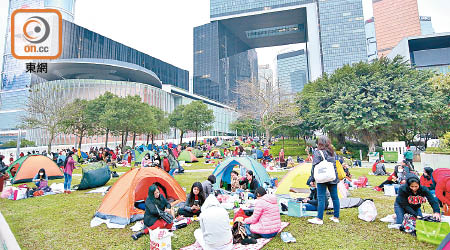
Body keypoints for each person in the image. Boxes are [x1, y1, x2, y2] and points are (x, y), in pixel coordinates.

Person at [308, 135, 340, 225]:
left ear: (319, 143)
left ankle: (319, 219)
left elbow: (314, 167)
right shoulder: (332, 152)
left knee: (321, 198)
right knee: (335, 197)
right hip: (332, 177)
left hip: (322, 177)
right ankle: (336, 217)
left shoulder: (318, 152)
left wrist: (312, 179)